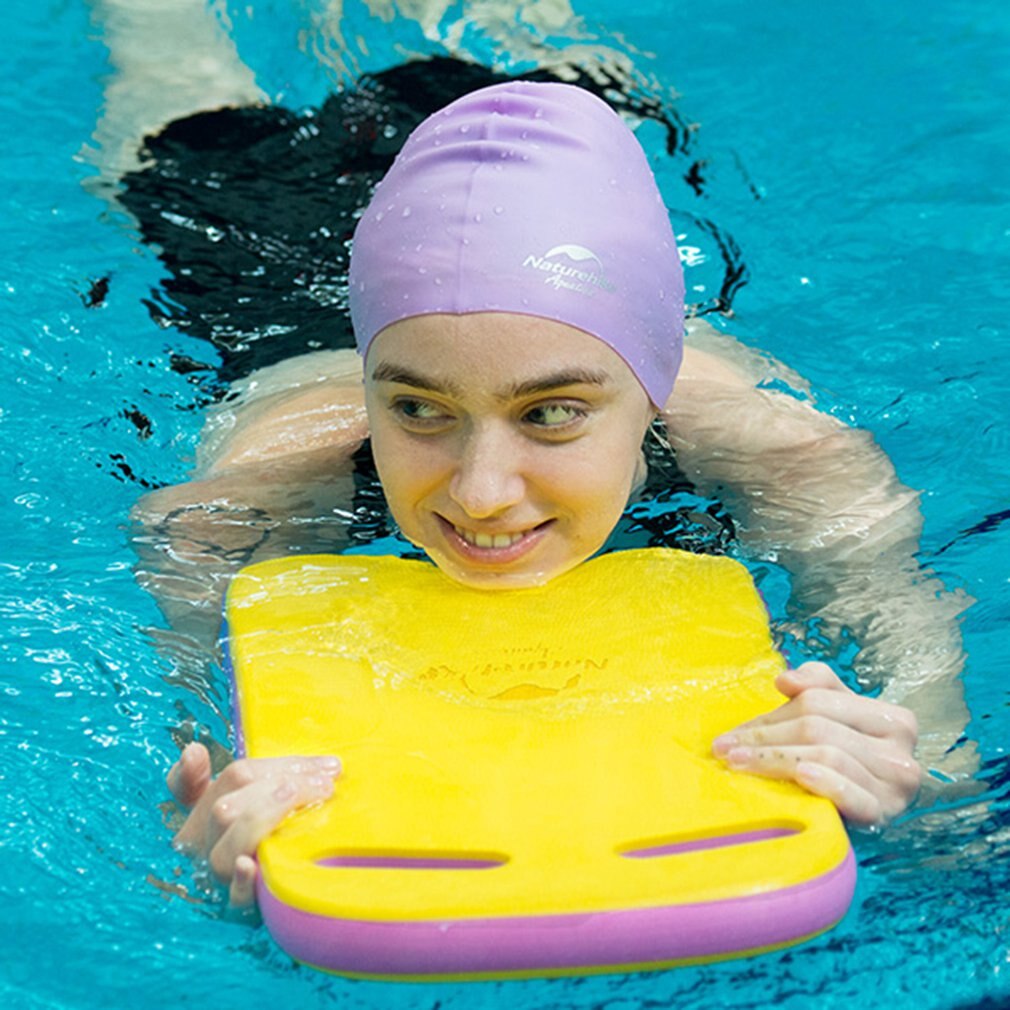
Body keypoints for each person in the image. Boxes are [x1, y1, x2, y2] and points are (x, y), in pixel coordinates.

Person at [129, 80, 977, 912]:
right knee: (183, 86)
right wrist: (214, 865)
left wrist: (898, 784)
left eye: (553, 413)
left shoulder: (797, 465)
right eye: (418, 408)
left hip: (552, 162)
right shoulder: (230, 516)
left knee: (529, 44)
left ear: (655, 388)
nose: (482, 493)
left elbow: (946, 783)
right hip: (249, 234)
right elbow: (195, 784)